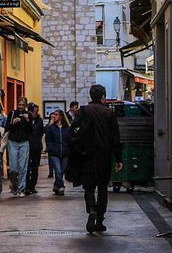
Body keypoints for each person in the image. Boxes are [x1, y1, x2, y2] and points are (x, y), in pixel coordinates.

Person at [73, 84, 123, 233]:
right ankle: (100, 219)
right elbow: (115, 137)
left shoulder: (83, 111)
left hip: (87, 155)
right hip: (104, 156)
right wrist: (119, 158)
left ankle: (91, 209)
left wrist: (78, 150)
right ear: (103, 97)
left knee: (88, 187)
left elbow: (75, 131)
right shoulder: (109, 113)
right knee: (102, 188)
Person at [6, 97, 32, 196]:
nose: (21, 106)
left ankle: (21, 188)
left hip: (24, 142)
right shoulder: (12, 113)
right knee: (13, 168)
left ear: (25, 105)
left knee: (23, 167)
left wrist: (28, 120)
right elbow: (6, 128)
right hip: (13, 142)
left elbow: (31, 131)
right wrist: (13, 123)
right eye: (19, 104)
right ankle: (14, 184)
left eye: (23, 105)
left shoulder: (28, 115)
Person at [44, 108, 71, 195]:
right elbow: (48, 139)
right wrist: (51, 148)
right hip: (54, 153)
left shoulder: (67, 128)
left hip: (65, 152)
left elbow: (70, 139)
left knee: (61, 171)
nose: (53, 116)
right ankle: (61, 187)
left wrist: (69, 149)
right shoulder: (51, 128)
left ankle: (56, 185)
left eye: (56, 115)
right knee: (58, 171)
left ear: (61, 117)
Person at [26, 103, 45, 194]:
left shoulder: (39, 120)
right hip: (28, 146)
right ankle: (26, 185)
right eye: (34, 111)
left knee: (35, 167)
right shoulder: (26, 120)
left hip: (36, 146)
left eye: (37, 111)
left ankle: (32, 185)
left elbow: (41, 132)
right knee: (27, 167)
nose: (36, 113)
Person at [46, 112, 56, 177]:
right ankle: (51, 172)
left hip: (56, 144)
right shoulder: (49, 125)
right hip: (50, 144)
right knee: (50, 158)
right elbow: (45, 131)